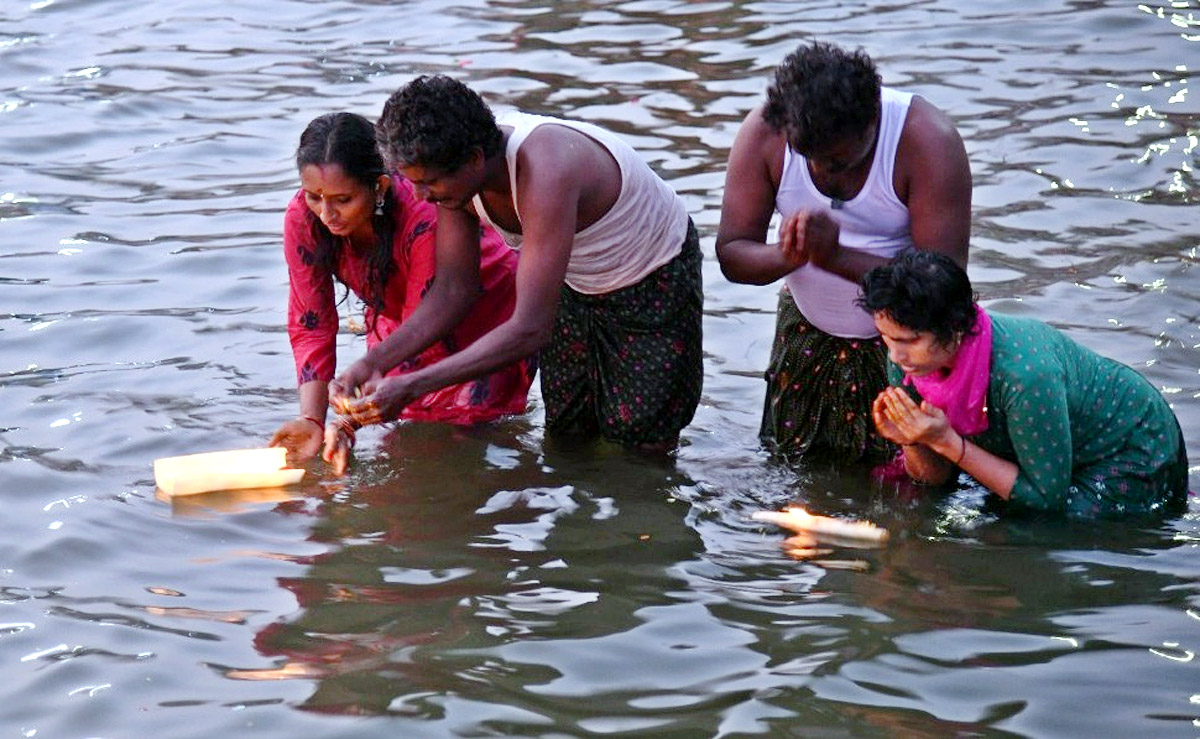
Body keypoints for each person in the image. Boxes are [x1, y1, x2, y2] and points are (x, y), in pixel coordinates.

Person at [332, 75, 703, 450]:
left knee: (642, 440)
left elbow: (529, 330)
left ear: (475, 158)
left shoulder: (545, 169)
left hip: (653, 275)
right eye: (413, 182)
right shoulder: (457, 185)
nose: (418, 195)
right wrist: (373, 363)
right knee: (567, 432)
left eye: (428, 183)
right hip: (572, 279)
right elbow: (453, 290)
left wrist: (413, 384)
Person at [715, 40, 972, 462]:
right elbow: (732, 254)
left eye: (836, 159)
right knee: (791, 465)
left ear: (872, 119)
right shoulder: (766, 133)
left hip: (905, 348)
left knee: (910, 481)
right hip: (805, 332)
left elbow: (944, 287)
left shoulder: (926, 140)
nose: (819, 171)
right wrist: (791, 255)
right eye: (808, 156)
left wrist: (834, 258)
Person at [269, 112, 535, 474]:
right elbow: (310, 321)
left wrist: (351, 421)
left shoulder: (423, 214)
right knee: (402, 432)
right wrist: (312, 419)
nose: (327, 214)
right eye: (315, 197)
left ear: (378, 187)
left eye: (343, 199)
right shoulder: (304, 218)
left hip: (482, 309)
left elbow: (431, 315)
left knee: (464, 441)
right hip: (401, 316)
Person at [861, 250, 1188, 518]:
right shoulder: (905, 363)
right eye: (887, 338)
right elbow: (934, 481)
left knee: (1028, 533)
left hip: (1128, 446)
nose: (896, 354)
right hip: (1042, 453)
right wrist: (914, 440)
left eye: (911, 340)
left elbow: (1047, 500)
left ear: (957, 327)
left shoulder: (1025, 377)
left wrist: (947, 441)